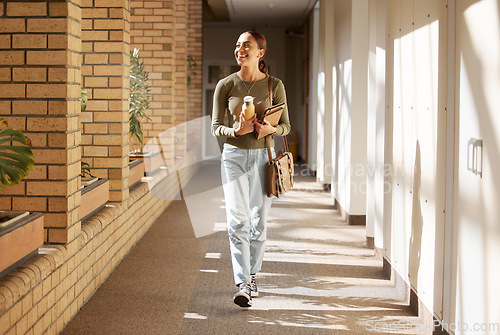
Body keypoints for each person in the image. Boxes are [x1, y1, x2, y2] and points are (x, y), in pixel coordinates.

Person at [211, 31, 291, 307]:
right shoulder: (225, 85)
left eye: (247, 45)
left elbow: (286, 126)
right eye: (237, 45)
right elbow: (215, 127)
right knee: (237, 220)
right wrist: (234, 130)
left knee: (259, 222)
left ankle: (253, 273)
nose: (240, 49)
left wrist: (270, 128)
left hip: (263, 159)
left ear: (261, 52)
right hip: (232, 157)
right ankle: (243, 282)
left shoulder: (274, 85)